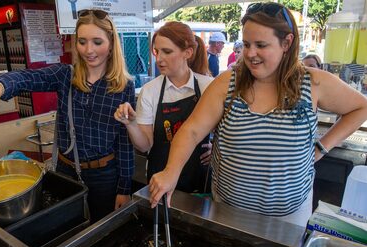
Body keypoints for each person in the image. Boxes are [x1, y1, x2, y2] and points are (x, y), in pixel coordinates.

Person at [148, 2, 367, 227]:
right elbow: (192, 131)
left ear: (287, 43)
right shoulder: (227, 83)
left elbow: (361, 107)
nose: (250, 54)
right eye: (246, 44)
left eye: (261, 45)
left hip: (289, 219)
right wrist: (170, 172)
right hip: (228, 212)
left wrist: (321, 147)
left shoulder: (313, 83)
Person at [0, 9, 135, 223]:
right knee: (69, 226)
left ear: (112, 43)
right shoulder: (65, 75)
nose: (89, 50)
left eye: (97, 42)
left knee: (102, 230)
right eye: (82, 41)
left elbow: (125, 142)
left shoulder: (123, 86)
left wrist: (124, 188)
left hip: (105, 175)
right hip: (66, 170)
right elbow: (28, 78)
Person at [114, 21, 214, 194]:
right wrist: (130, 124)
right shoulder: (150, 91)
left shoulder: (208, 86)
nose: (159, 59)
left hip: (199, 178)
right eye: (156, 51)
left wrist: (216, 148)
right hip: (160, 179)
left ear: (187, 53)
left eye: (167, 52)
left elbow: (225, 131)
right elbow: (145, 146)